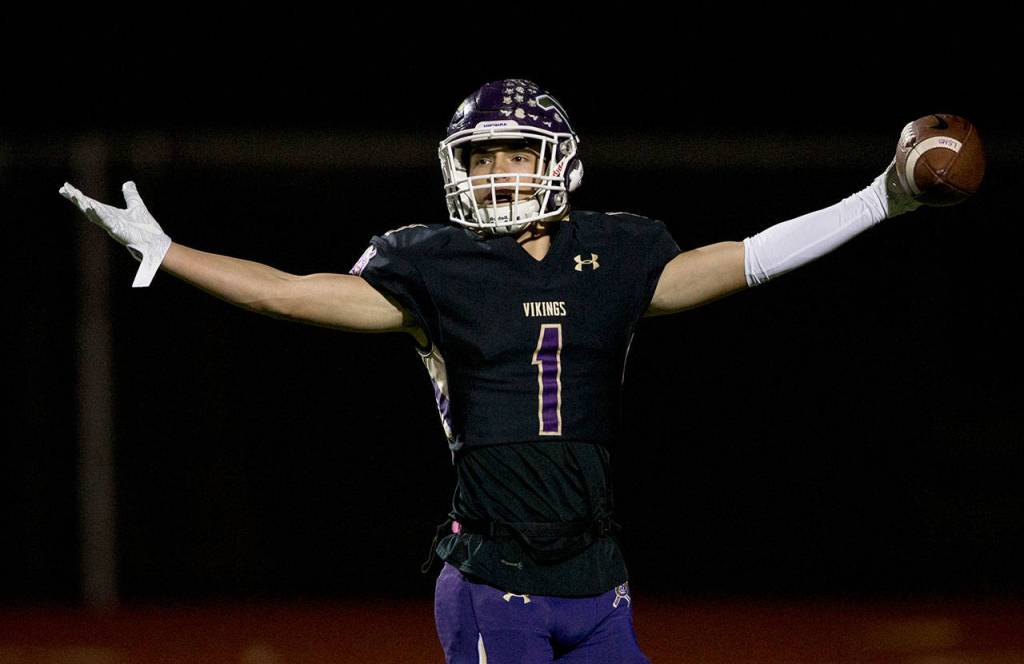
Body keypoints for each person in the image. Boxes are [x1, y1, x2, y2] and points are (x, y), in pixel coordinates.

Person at [61, 79, 923, 663]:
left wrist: (883, 197)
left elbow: (751, 258)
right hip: (490, 579)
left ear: (559, 160)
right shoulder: (434, 265)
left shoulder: (617, 254)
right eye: (480, 158)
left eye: (512, 153)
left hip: (598, 576)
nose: (495, 172)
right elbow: (289, 295)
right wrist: (169, 251)